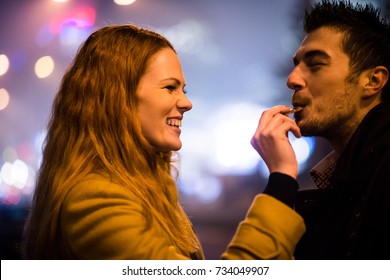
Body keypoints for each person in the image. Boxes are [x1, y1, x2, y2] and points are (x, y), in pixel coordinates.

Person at [21, 24, 305, 260]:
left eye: (183, 89)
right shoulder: (96, 197)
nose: (186, 103)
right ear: (117, 97)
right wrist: (281, 179)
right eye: (170, 87)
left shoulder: (145, 187)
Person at [251, 0, 390, 259]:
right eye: (296, 64)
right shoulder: (344, 178)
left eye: (315, 64)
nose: (292, 79)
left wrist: (281, 179)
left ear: (373, 81)